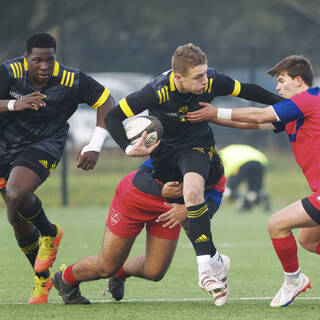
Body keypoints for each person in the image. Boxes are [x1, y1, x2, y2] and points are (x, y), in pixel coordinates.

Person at [104, 43, 282, 298]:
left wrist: (287, 108)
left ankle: (205, 271)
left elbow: (248, 90)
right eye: (198, 76)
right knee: (185, 222)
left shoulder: (212, 82)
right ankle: (216, 262)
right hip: (164, 157)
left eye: (206, 73)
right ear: (178, 78)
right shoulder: (154, 92)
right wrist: (129, 149)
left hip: (198, 146)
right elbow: (113, 117)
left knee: (193, 192)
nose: (205, 80)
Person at [187, 54, 318, 307]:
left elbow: (260, 115)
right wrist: (212, 117)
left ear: (299, 80)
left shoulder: (308, 99)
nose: (277, 88)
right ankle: (295, 279)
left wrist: (218, 110)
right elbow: (254, 125)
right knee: (308, 240)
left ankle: (294, 280)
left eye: (281, 81)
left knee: (277, 224)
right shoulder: (298, 111)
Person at [0, 33, 114, 303]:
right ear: (26, 58)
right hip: (4, 144)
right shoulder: (9, 72)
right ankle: (43, 280)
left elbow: (105, 101)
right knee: (16, 218)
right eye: (37, 60)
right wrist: (16, 104)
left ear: (55, 58)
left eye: (49, 60)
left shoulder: (71, 79)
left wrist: (95, 144)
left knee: (17, 193)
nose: (44, 66)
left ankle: (50, 233)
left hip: (44, 143)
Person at [52, 151, 228, 306]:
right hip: (134, 200)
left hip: (169, 211)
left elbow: (211, 207)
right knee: (106, 267)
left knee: (155, 271)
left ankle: (120, 273)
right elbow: (140, 177)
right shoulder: (173, 154)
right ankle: (66, 279)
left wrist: (189, 210)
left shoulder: (216, 176)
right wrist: (161, 191)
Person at [219, 144, 270, 212]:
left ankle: (242, 199)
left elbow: (222, 173)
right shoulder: (229, 150)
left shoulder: (219, 156)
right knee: (255, 190)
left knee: (228, 190)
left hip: (241, 164)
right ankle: (261, 196)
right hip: (259, 162)